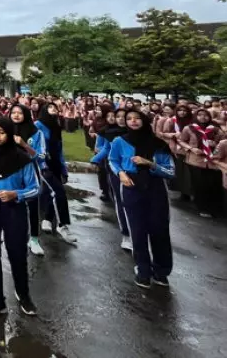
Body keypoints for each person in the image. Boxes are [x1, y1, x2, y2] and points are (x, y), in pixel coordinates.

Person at [0, 117, 40, 318]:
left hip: (13, 207)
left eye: (1, 132)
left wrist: (16, 195)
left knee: (17, 252)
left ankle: (23, 294)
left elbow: (35, 188)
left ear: (9, 134)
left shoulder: (21, 159)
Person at [108, 109, 175, 289]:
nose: (133, 121)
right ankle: (143, 269)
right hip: (131, 186)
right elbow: (113, 160)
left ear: (144, 121)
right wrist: (120, 173)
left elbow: (170, 171)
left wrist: (150, 164)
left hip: (155, 188)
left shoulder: (158, 144)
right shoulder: (120, 141)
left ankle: (161, 271)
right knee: (137, 230)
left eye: (137, 118)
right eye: (129, 119)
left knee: (159, 229)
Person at [8, 103, 46, 256]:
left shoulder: (36, 133)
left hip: (30, 171)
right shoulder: (6, 130)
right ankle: (13, 235)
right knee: (10, 203)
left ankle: (34, 238)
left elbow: (41, 156)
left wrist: (24, 145)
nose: (16, 115)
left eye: (20, 113)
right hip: (11, 172)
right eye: (13, 112)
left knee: (32, 205)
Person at [91, 109, 132, 251]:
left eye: (123, 116)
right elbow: (105, 149)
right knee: (121, 201)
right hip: (116, 170)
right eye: (118, 116)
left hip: (137, 172)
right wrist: (94, 160)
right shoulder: (110, 134)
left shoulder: (137, 134)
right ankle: (126, 234)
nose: (120, 119)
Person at [36, 101, 76, 245]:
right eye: (50, 107)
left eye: (55, 107)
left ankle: (47, 218)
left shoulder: (57, 127)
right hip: (43, 163)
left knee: (49, 192)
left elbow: (59, 150)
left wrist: (64, 169)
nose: (53, 109)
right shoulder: (38, 125)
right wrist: (42, 162)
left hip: (56, 165)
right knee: (58, 192)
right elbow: (35, 145)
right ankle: (63, 225)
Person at [178, 107, 226, 218]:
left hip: (212, 162)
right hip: (196, 161)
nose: (203, 117)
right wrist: (191, 148)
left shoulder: (216, 129)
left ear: (209, 117)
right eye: (200, 115)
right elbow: (181, 140)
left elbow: (223, 142)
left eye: (205, 115)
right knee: (199, 186)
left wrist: (214, 144)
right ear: (196, 116)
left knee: (213, 185)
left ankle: (215, 207)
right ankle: (202, 207)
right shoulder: (189, 128)